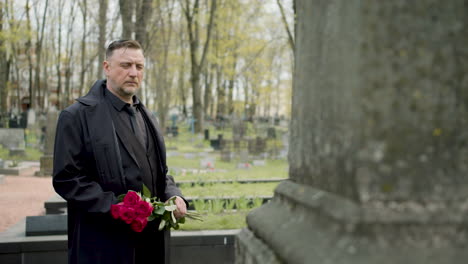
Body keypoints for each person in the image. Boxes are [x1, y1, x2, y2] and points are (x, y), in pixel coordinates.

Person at [53, 39, 187, 264]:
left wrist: (173, 194)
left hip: (151, 242)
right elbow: (67, 179)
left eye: (139, 66)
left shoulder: (147, 116)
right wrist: (117, 207)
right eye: (126, 65)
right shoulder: (76, 116)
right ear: (107, 67)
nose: (134, 73)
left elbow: (159, 172)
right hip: (102, 243)